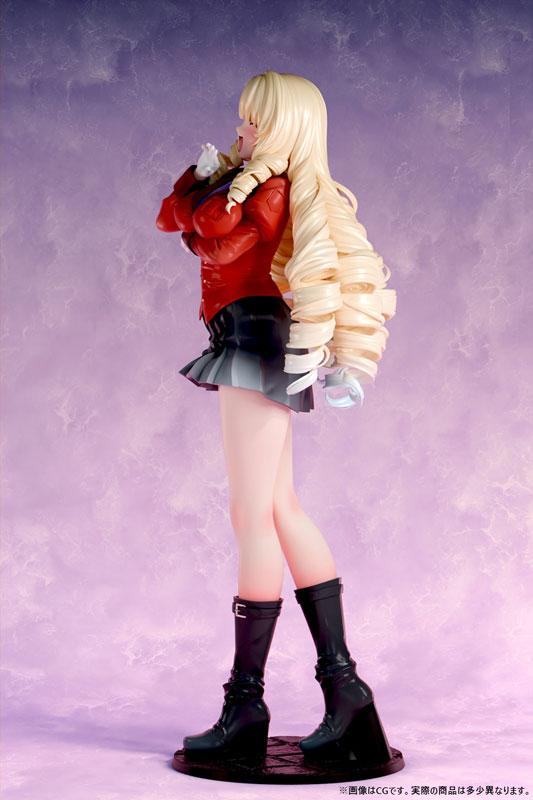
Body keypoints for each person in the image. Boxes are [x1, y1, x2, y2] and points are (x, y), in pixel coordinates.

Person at [156, 70, 398, 768]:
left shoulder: (267, 191)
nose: (243, 131)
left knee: (252, 514)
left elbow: (210, 238)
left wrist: (220, 186)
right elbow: (170, 218)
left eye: (255, 121)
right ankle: (346, 694)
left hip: (253, 344)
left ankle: (246, 705)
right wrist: (209, 179)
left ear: (283, 128)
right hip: (251, 339)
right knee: (281, 508)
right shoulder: (256, 183)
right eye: (243, 119)